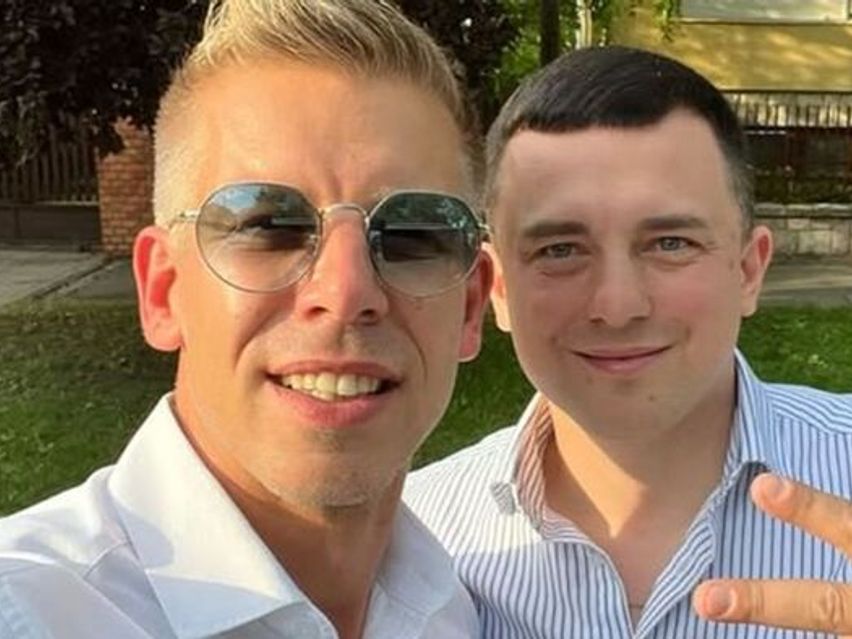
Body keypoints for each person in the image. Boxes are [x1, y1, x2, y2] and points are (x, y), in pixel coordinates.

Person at [0, 1, 493, 637]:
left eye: (411, 234)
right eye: (269, 224)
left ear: (470, 307)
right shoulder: (30, 612)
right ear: (164, 291)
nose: (346, 291)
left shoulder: (455, 610)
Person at [405, 45, 852, 638]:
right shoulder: (413, 545)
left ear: (749, 270)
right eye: (560, 250)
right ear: (500, 290)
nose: (617, 307)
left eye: (670, 244)